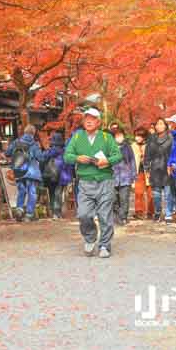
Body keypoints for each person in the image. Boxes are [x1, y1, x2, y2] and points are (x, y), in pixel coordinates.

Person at [63, 108, 122, 258]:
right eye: (86, 118)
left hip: (105, 181)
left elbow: (118, 155)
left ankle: (104, 245)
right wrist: (77, 158)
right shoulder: (77, 137)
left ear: (99, 122)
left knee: (105, 216)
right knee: (83, 214)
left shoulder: (107, 137)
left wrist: (107, 161)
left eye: (93, 118)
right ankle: (90, 238)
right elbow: (67, 156)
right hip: (85, 182)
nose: (89, 121)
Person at [4, 124, 44, 222]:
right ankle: (29, 214)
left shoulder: (16, 142)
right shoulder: (34, 144)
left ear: (24, 132)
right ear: (33, 133)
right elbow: (40, 158)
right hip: (31, 171)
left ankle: (19, 210)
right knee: (32, 192)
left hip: (19, 170)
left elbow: (7, 153)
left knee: (21, 190)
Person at [143, 118, 173, 224]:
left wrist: (173, 165)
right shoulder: (151, 138)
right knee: (156, 194)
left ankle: (169, 214)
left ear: (165, 126)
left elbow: (174, 153)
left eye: (161, 124)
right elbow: (147, 154)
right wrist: (146, 168)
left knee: (168, 193)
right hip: (155, 168)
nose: (159, 126)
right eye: (157, 124)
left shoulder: (171, 137)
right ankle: (157, 213)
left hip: (168, 167)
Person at [111, 127, 136, 226]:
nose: (119, 137)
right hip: (112, 177)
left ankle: (123, 217)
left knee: (124, 199)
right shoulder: (109, 147)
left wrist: (133, 175)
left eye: (121, 135)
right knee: (113, 199)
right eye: (117, 135)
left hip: (125, 177)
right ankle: (116, 216)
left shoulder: (127, 147)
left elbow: (132, 160)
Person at [41, 131, 67, 219]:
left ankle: (53, 210)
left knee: (52, 193)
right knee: (58, 193)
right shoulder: (65, 151)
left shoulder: (50, 151)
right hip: (61, 175)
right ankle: (57, 212)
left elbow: (42, 159)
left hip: (50, 175)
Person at [131, 127, 152, 219]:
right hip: (137, 171)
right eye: (136, 136)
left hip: (149, 172)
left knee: (150, 193)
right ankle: (139, 211)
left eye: (140, 136)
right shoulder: (132, 146)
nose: (137, 138)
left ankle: (151, 212)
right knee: (138, 193)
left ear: (144, 137)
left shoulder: (149, 146)